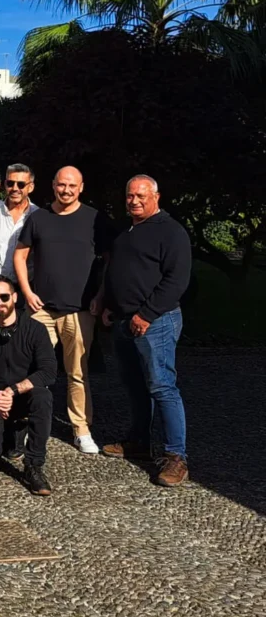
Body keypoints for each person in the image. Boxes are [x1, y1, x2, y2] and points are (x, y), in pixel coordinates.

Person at [13, 166, 116, 455]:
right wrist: (27, 291)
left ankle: (81, 429)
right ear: (53, 185)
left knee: (77, 373)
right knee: (32, 370)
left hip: (80, 311)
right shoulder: (39, 218)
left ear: (81, 187)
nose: (66, 190)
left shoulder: (95, 219)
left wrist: (101, 294)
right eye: (61, 185)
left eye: (72, 186)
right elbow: (20, 255)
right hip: (42, 309)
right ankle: (25, 426)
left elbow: (111, 261)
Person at [101, 175, 192, 487]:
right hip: (124, 320)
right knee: (135, 385)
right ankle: (139, 441)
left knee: (162, 386)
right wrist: (112, 305)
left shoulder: (170, 231)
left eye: (141, 195)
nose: (134, 201)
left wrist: (147, 314)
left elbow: (176, 280)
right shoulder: (129, 230)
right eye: (130, 195)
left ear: (156, 196)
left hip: (156, 321)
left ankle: (176, 456)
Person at [0, 276, 57, 496]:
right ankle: (9, 434)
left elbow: (48, 372)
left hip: (23, 396)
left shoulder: (35, 329)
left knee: (43, 397)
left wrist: (12, 391)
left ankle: (34, 465)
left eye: (4, 296)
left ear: (14, 297)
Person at [0, 163, 39, 281]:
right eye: (10, 183)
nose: (15, 188)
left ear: (31, 187)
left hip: (27, 288)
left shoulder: (38, 216)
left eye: (21, 184)